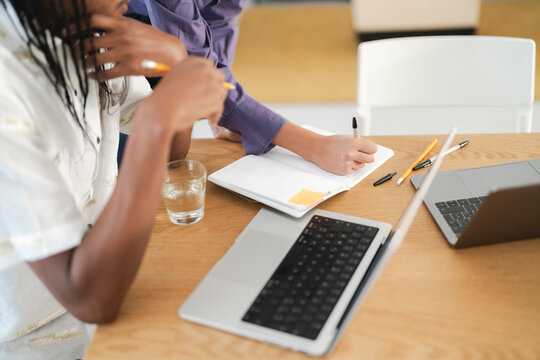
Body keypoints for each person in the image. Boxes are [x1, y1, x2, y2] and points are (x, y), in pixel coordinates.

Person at [0, 0, 226, 358]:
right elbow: (88, 300)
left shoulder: (90, 30)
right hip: (36, 340)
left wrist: (175, 63)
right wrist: (157, 117)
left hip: (117, 285)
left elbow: (169, 155)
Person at [117, 0, 379, 176]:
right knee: (153, 166)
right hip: (128, 35)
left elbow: (218, 22)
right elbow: (193, 63)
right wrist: (313, 145)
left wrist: (219, 103)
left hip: (178, 36)